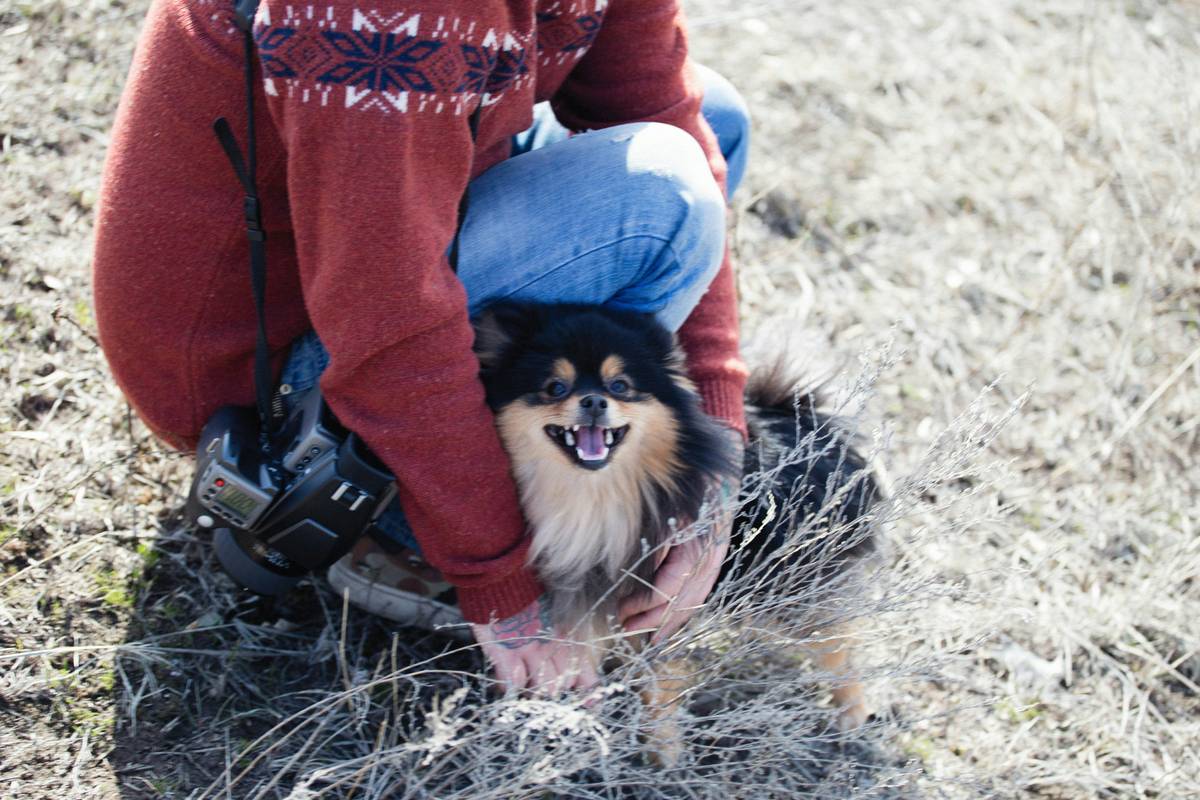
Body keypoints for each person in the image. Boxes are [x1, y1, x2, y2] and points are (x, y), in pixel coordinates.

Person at [93, 0, 751, 693]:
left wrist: (715, 447)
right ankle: (392, 530)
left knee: (712, 126)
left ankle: (502, 484)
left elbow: (660, 106)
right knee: (664, 193)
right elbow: (384, 310)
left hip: (380, 242)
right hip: (265, 368)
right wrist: (497, 573)